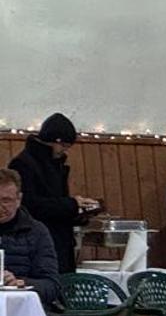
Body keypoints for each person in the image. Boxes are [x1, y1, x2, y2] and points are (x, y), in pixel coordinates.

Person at [9, 113, 100, 274]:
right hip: (38, 242)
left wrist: (79, 212)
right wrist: (72, 204)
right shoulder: (23, 164)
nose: (65, 150)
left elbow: (55, 202)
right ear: (54, 141)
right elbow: (29, 205)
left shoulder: (53, 164)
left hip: (59, 240)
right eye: (64, 145)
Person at [0, 169, 62, 306]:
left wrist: (19, 283)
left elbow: (52, 286)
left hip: (25, 308)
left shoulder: (36, 232)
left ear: (19, 200)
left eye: (6, 201)